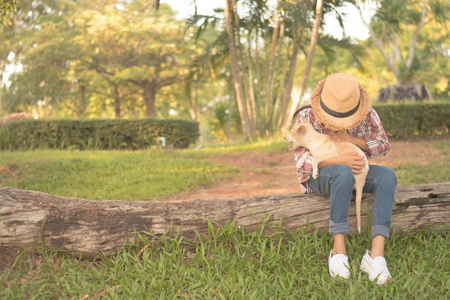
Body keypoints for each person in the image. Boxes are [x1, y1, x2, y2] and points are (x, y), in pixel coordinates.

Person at [292, 73, 396, 285]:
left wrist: (353, 141)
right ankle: (338, 251)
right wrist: (339, 160)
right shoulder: (306, 116)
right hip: (321, 175)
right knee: (342, 171)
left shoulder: (366, 112)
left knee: (387, 175)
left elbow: (383, 144)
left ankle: (376, 256)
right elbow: (301, 161)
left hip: (357, 172)